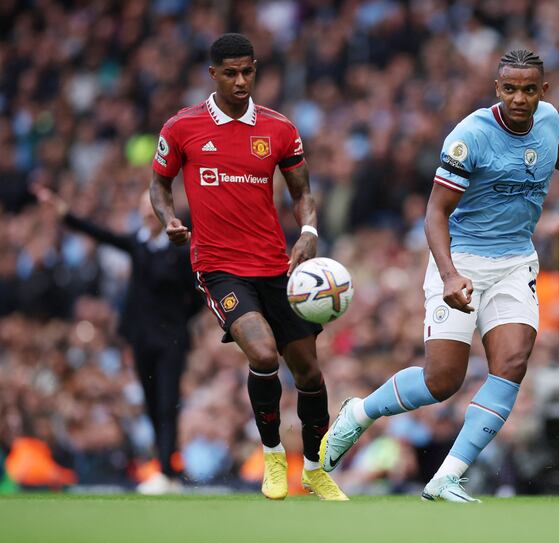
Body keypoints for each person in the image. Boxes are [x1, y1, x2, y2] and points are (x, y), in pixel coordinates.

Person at [320, 49, 559, 502]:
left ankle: (449, 474)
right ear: (497, 89)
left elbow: (552, 153)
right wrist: (449, 275)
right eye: (510, 89)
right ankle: (359, 413)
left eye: (529, 89)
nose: (520, 98)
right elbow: (435, 211)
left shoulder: (548, 119)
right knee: (441, 381)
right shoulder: (470, 136)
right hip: (462, 260)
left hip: (514, 263)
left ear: (543, 91)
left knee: (510, 364)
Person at [149, 33, 346, 501]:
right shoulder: (182, 127)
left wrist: (309, 232)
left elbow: (303, 194)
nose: (241, 81)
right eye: (231, 73)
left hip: (275, 266)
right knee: (261, 355)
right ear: (213, 74)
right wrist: (169, 218)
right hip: (218, 266)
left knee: (311, 376)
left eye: (248, 71)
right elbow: (159, 185)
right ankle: (274, 457)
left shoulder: (279, 128)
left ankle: (315, 468)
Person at [34, 187, 199, 494]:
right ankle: (170, 467)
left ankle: (165, 470)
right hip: (141, 339)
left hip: (171, 339)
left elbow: (197, 293)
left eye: (153, 210)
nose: (148, 215)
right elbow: (101, 233)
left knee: (166, 403)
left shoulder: (179, 250)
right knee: (151, 401)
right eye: (144, 209)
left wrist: (179, 320)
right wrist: (64, 213)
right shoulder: (138, 244)